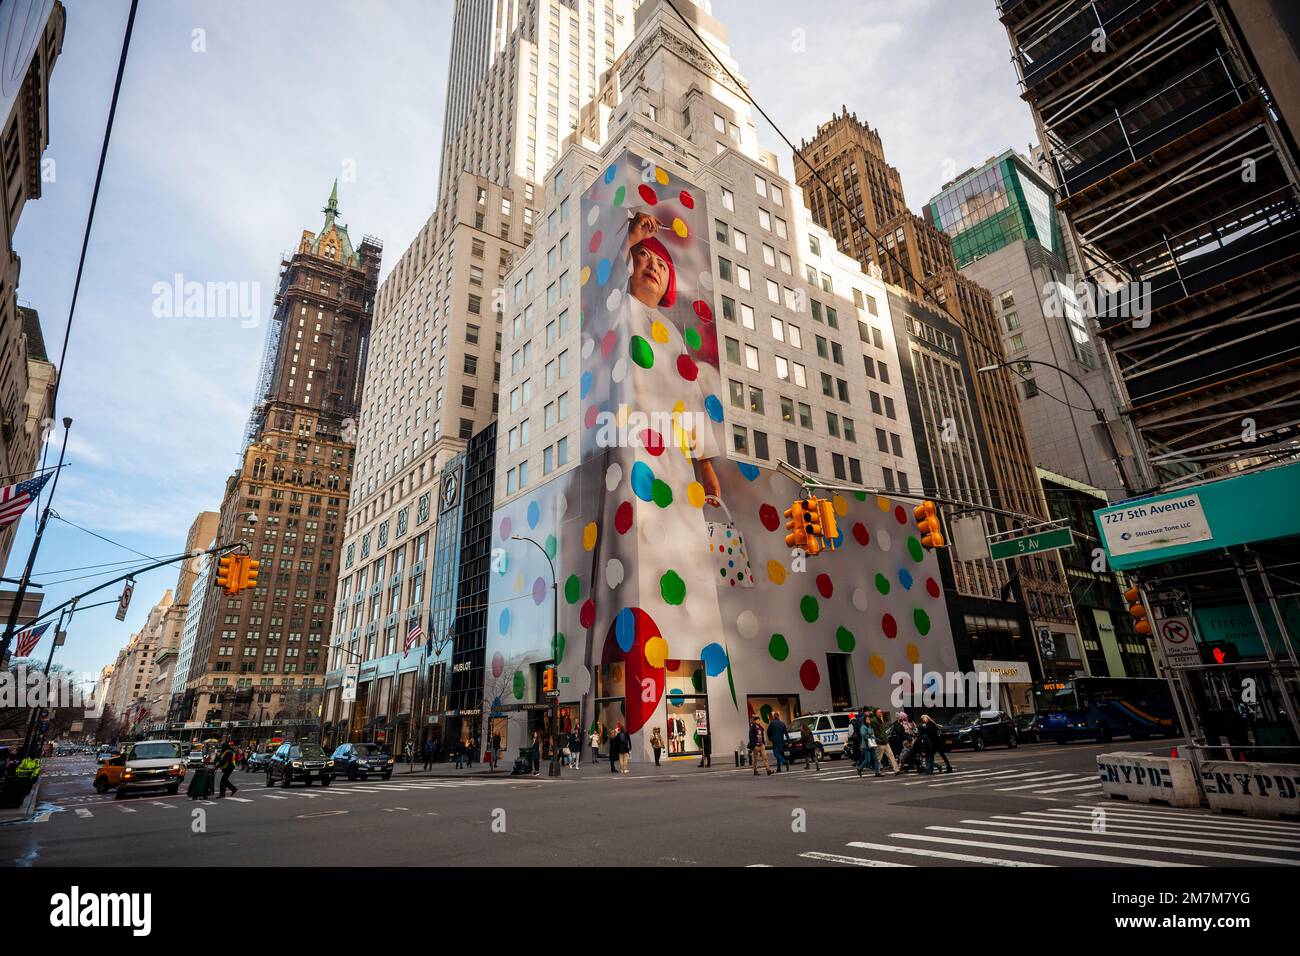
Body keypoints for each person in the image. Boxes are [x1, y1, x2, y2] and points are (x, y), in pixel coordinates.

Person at [873, 709, 900, 774]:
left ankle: (896, 770)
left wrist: (885, 737)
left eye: (881, 712)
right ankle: (877, 770)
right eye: (879, 712)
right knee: (879, 758)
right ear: (876, 713)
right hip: (880, 742)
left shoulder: (880, 720)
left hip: (885, 741)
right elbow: (876, 732)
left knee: (891, 755)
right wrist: (880, 738)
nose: (880, 713)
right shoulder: (874, 721)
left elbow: (883, 731)